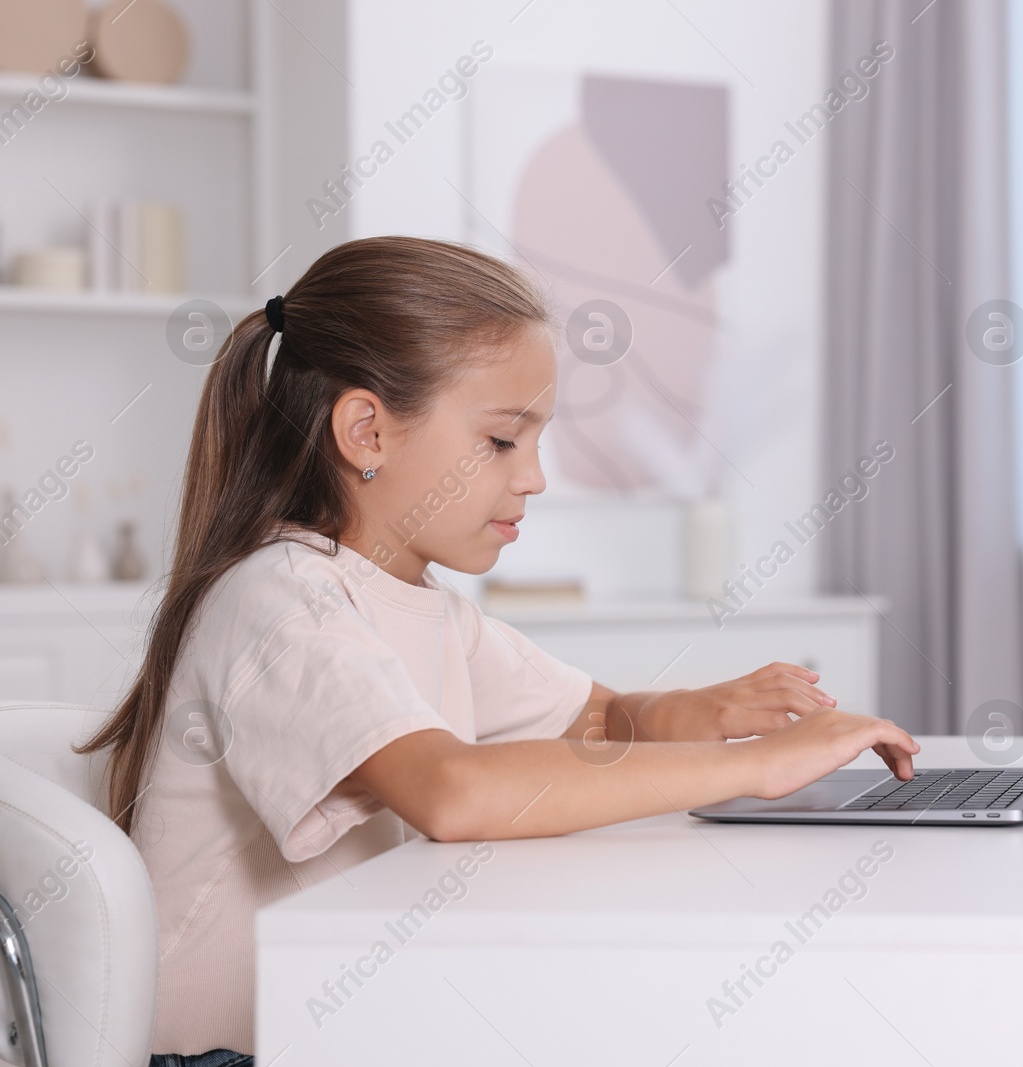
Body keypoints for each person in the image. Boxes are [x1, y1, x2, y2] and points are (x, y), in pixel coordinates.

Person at [78, 236, 919, 1065]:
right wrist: (753, 767)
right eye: (504, 440)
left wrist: (710, 710)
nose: (535, 477)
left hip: (338, 1024)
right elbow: (451, 790)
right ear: (366, 432)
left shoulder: (429, 608)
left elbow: (598, 718)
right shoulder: (280, 601)